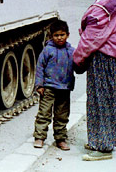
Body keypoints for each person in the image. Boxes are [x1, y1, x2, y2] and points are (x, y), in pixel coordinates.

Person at [73, 0, 116, 161]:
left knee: (100, 101)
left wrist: (78, 59)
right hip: (110, 58)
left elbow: (91, 38)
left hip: (102, 58)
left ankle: (102, 148)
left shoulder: (103, 5)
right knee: (107, 101)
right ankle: (101, 140)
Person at [33, 19, 75, 151]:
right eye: (56, 35)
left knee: (62, 115)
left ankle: (60, 139)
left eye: (62, 35)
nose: (59, 38)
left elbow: (78, 65)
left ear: (67, 34)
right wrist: (39, 85)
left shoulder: (71, 51)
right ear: (51, 36)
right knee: (44, 114)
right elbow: (39, 67)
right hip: (49, 88)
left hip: (64, 88)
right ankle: (39, 137)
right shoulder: (47, 50)